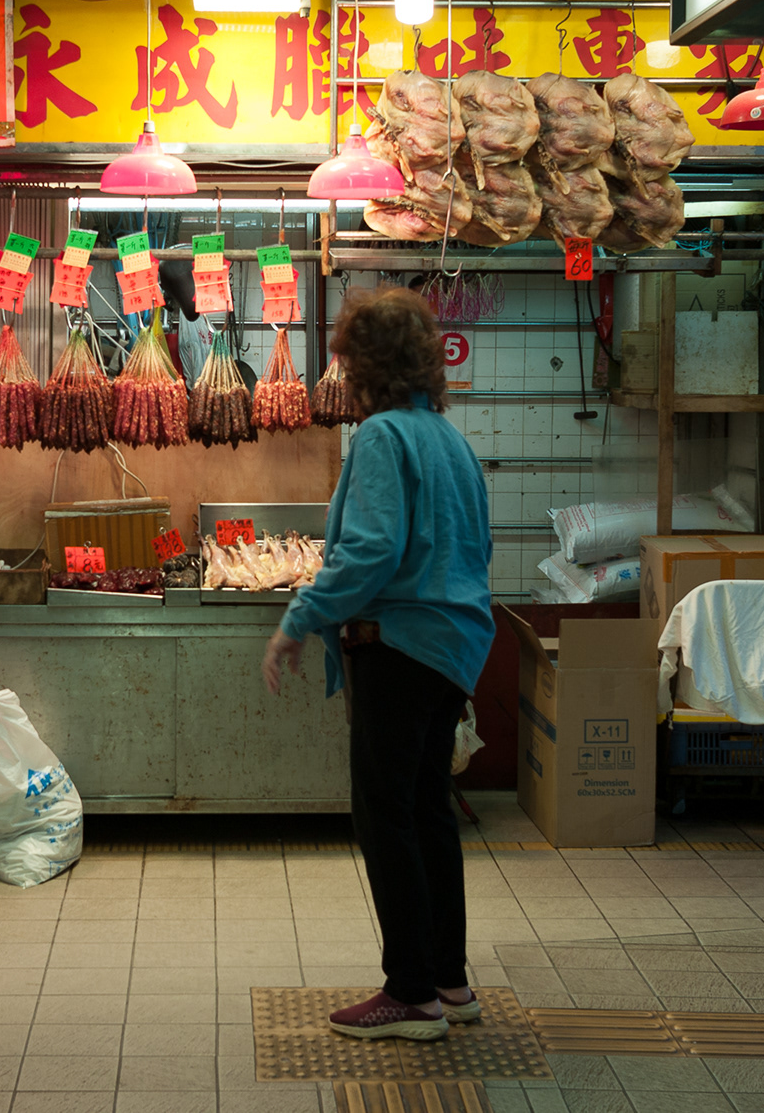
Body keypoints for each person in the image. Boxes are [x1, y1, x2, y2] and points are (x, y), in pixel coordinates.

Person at [261, 287, 494, 1043]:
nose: (343, 375)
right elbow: (475, 548)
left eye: (348, 360)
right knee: (428, 812)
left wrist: (299, 620)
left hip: (398, 645)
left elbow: (371, 551)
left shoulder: (384, 437)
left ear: (368, 365)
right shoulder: (448, 437)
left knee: (385, 815)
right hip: (453, 646)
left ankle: (411, 992)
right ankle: (449, 980)